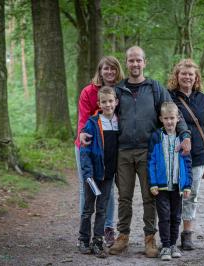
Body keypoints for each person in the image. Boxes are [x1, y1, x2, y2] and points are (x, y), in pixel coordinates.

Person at [82, 46, 191, 257]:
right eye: (131, 61)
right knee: (124, 197)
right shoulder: (119, 90)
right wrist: (84, 133)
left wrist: (185, 135)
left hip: (148, 152)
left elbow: (173, 112)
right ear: (127, 63)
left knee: (150, 195)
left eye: (138, 60)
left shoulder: (154, 87)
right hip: (123, 152)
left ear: (144, 62)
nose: (135, 64)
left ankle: (150, 238)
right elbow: (102, 115)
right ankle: (123, 236)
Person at [74, 56, 124, 247]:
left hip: (109, 151)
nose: (109, 72)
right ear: (100, 71)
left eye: (113, 69)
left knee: (108, 190)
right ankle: (84, 235)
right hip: (87, 146)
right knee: (86, 189)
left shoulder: (121, 90)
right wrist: (82, 135)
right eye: (106, 69)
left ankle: (106, 229)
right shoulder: (88, 91)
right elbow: (83, 118)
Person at [168, 59, 204, 250]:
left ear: (196, 78)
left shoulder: (202, 99)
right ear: (177, 76)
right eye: (183, 74)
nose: (187, 77)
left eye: (191, 74)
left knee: (191, 195)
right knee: (173, 194)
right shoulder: (169, 97)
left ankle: (187, 235)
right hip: (173, 154)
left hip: (197, 157)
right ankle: (170, 233)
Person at [147, 102, 192, 261]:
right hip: (161, 187)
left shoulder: (183, 138)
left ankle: (173, 245)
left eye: (172, 118)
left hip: (177, 186)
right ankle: (165, 246)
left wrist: (187, 185)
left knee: (176, 216)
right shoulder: (156, 137)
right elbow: (151, 162)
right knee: (164, 217)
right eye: (166, 118)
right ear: (161, 119)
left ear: (178, 118)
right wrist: (152, 183)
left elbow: (187, 164)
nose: (169, 122)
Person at [78, 86, 119, 258]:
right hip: (93, 175)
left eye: (111, 101)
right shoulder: (93, 123)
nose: (108, 104)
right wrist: (87, 174)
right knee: (88, 208)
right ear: (99, 104)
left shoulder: (119, 122)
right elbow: (85, 151)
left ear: (116, 102)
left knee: (102, 209)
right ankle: (83, 239)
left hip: (108, 175)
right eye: (104, 102)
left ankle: (97, 241)